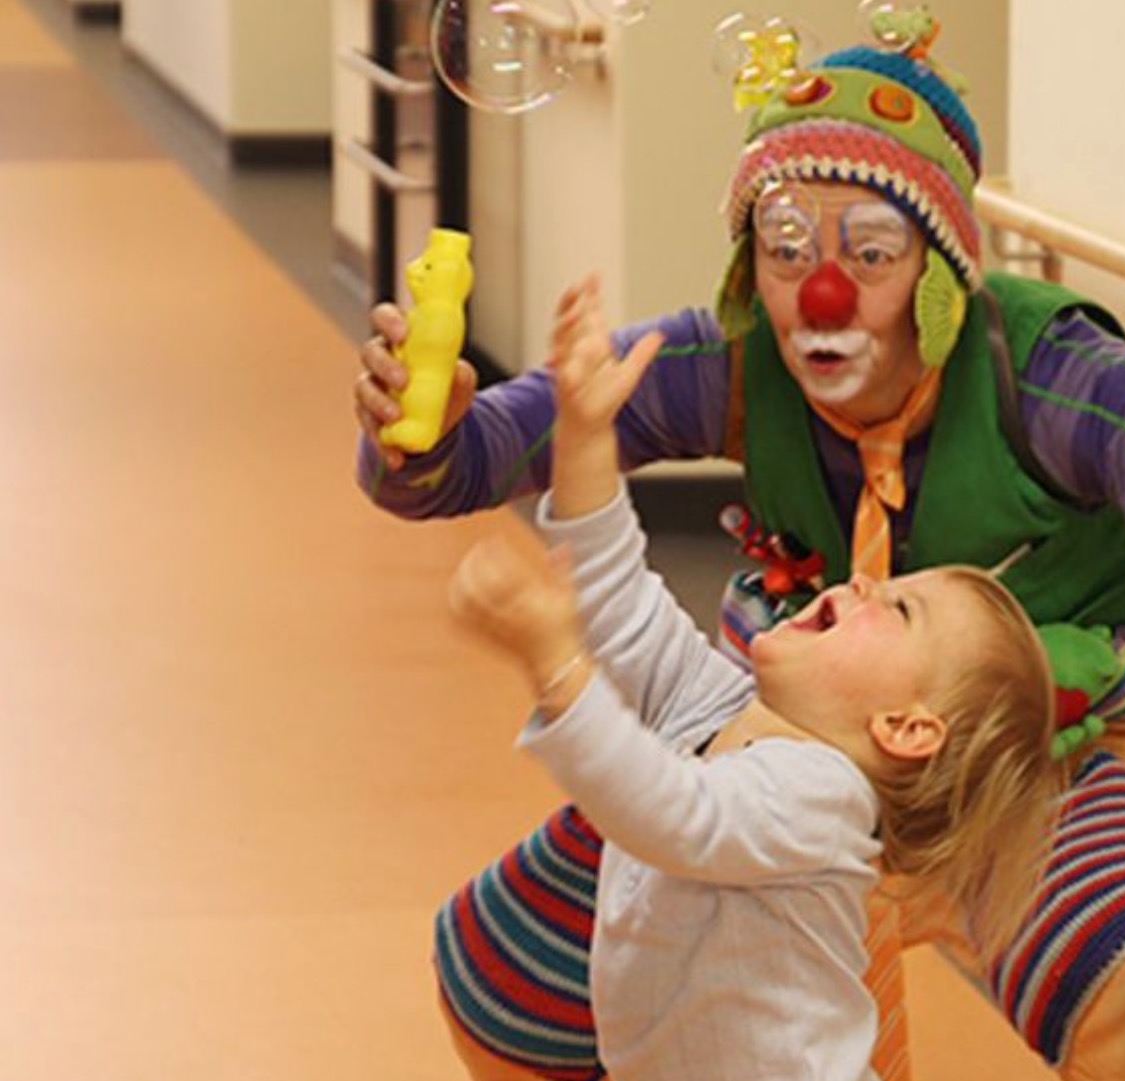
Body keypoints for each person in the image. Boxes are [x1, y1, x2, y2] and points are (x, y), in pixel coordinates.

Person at [355, 12, 1125, 1080]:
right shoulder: (740, 357)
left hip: (1055, 733)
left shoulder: (1045, 370)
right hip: (816, 728)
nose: (822, 291)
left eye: (869, 252)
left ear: (939, 272)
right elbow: (504, 445)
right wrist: (424, 434)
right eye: (785, 250)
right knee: (514, 968)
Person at [445, 293, 1064, 1081]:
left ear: (905, 727)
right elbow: (622, 604)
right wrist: (586, 438)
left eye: (900, 607)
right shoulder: (722, 708)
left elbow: (672, 812)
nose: (864, 582)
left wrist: (557, 662)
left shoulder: (824, 798)